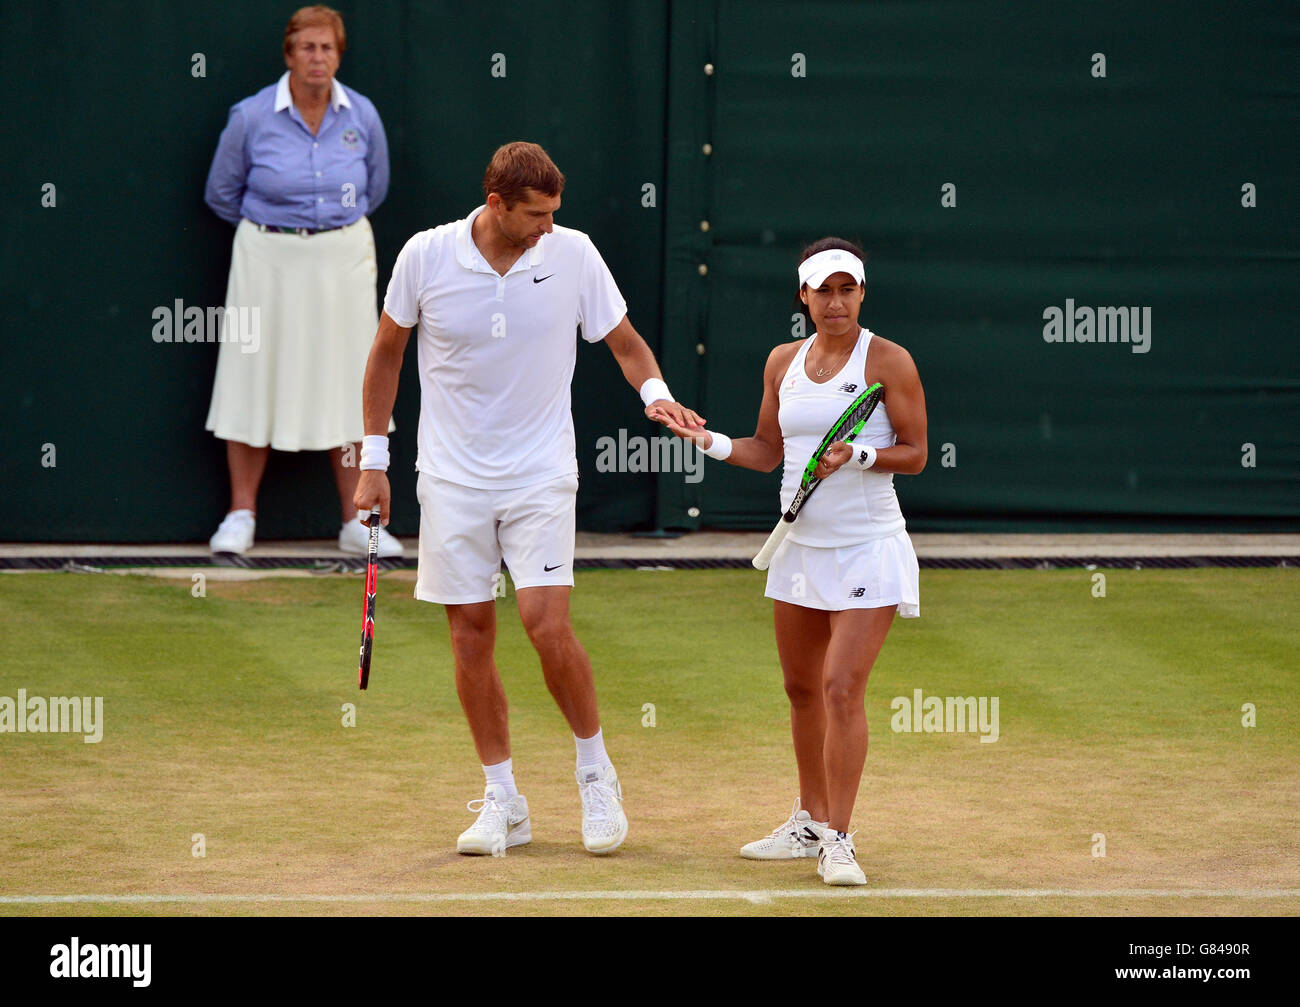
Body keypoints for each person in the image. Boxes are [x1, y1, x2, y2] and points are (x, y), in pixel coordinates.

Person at [354, 141, 704, 856]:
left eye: (554, 214)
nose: (549, 227)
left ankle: (595, 772)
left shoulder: (573, 253)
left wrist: (658, 395)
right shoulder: (425, 256)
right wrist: (374, 459)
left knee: (547, 623)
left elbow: (627, 343)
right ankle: (504, 798)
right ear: (496, 205)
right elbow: (387, 351)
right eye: (537, 215)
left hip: (542, 471)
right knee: (469, 637)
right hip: (450, 475)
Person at [659, 238, 927, 885]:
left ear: (862, 292)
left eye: (847, 288)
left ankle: (839, 836)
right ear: (802, 295)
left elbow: (916, 453)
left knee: (840, 689)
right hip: (799, 551)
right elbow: (765, 449)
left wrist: (859, 455)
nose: (836, 301)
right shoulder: (783, 361)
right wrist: (707, 440)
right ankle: (808, 820)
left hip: (867, 546)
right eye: (822, 289)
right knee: (802, 690)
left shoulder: (888, 360)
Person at [203, 4, 402, 558]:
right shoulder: (250, 116)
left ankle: (358, 522)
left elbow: (374, 188)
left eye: (328, 48)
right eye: (308, 47)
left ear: (339, 55)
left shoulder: (361, 115)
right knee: (251, 375)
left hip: (342, 260)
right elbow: (222, 192)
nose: (318, 58)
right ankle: (241, 515)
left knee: (352, 383)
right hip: (264, 258)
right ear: (289, 54)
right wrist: (280, 231)